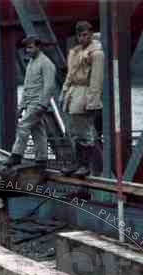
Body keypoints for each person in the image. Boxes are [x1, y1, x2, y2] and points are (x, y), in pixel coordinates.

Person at [4, 35, 56, 171]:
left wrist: (43, 104)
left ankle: (16, 155)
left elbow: (49, 86)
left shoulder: (46, 63)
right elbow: (27, 87)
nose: (28, 50)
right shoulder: (31, 63)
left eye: (31, 47)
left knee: (23, 126)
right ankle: (42, 159)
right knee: (37, 130)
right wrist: (22, 106)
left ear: (38, 47)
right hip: (31, 102)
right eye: (26, 48)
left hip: (38, 102)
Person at [60, 21, 104, 177]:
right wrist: (64, 92)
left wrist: (92, 102)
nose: (82, 38)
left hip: (85, 92)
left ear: (91, 34)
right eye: (79, 35)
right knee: (74, 130)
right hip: (73, 92)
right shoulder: (76, 52)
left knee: (85, 131)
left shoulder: (96, 54)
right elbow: (69, 75)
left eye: (85, 34)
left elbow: (96, 80)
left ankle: (85, 165)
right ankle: (78, 163)